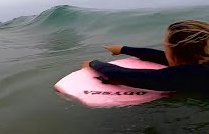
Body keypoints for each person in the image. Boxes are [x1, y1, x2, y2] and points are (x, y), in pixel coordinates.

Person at [81, 20, 209, 92]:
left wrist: (93, 63)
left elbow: (129, 76)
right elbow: (159, 56)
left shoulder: (194, 74)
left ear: (179, 53)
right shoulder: (201, 65)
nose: (164, 47)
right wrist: (123, 49)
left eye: (165, 44)